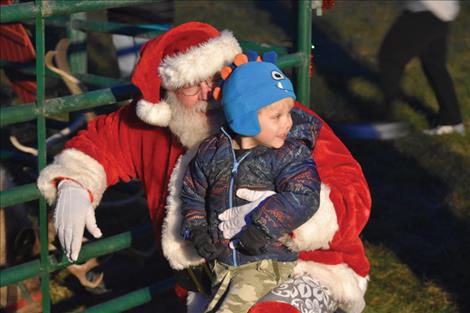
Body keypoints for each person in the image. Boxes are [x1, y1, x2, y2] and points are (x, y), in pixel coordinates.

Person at [37, 22, 371, 313]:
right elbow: (101, 142)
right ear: (166, 94)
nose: (207, 94)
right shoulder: (154, 129)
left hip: (306, 266)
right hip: (217, 272)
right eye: (189, 86)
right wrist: (74, 183)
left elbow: (351, 191)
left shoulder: (275, 115)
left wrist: (283, 219)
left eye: (213, 78)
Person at [178, 53, 320, 313]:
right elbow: (192, 193)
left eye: (288, 113)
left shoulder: (290, 154)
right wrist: (196, 230)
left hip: (265, 261)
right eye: (276, 117)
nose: (287, 123)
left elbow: (304, 194)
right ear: (244, 116)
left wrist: (262, 227)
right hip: (223, 263)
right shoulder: (212, 152)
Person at [378, 0, 465, 135]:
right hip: (441, 13)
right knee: (434, 65)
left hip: (424, 11)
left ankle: (384, 123)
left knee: (390, 58)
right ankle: (452, 121)